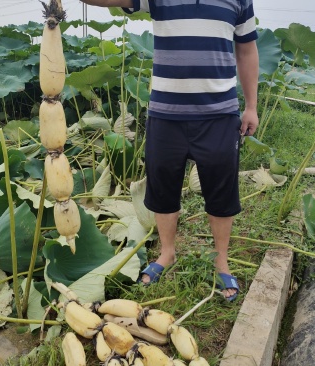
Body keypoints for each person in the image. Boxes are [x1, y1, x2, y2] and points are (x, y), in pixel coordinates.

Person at [80, 0, 259, 301]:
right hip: (165, 113)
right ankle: (167, 253)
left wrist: (251, 106)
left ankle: (221, 260)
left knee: (222, 190)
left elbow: (247, 49)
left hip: (219, 112)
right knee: (162, 187)